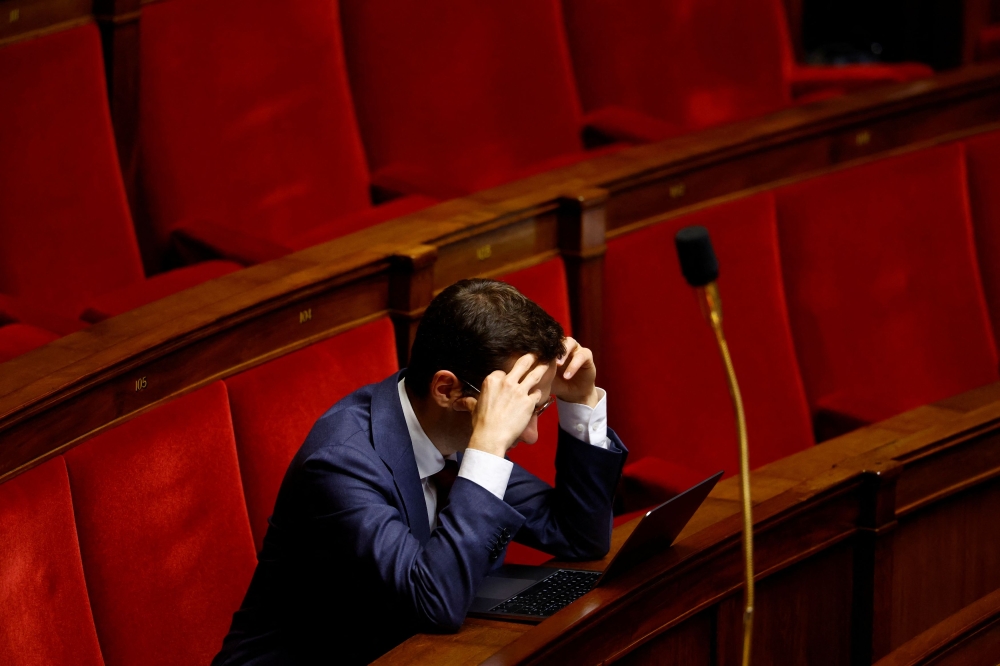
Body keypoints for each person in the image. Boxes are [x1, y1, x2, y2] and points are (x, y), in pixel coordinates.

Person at [214, 278, 627, 665]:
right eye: (520, 409)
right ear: (446, 390)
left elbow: (580, 536)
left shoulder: (458, 438)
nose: (533, 435)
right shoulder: (340, 466)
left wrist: (580, 402)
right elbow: (437, 601)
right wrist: (488, 448)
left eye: (541, 406)